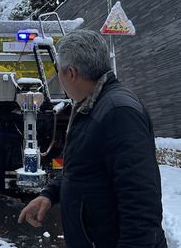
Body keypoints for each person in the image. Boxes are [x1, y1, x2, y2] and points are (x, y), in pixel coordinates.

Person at [18, 30, 167, 248]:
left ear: (71, 73)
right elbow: (85, 170)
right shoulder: (93, 106)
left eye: (58, 71)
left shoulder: (118, 112)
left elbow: (141, 204)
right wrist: (50, 194)